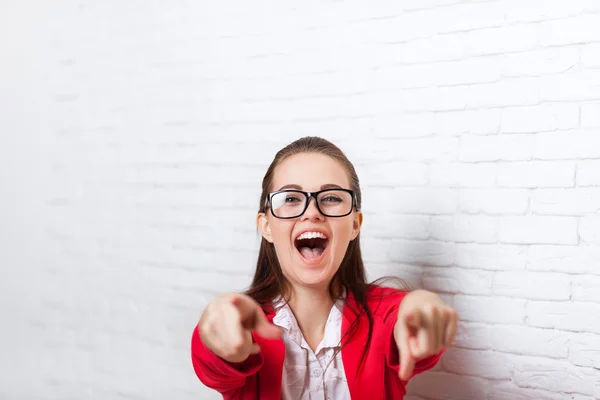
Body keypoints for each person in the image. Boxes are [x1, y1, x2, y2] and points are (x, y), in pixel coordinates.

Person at [191, 136, 458, 399]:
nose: (312, 212)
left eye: (330, 198)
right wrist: (216, 329)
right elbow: (212, 361)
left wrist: (421, 309)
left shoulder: (384, 316)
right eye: (291, 199)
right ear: (266, 226)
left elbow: (408, 321)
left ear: (354, 224)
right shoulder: (244, 327)